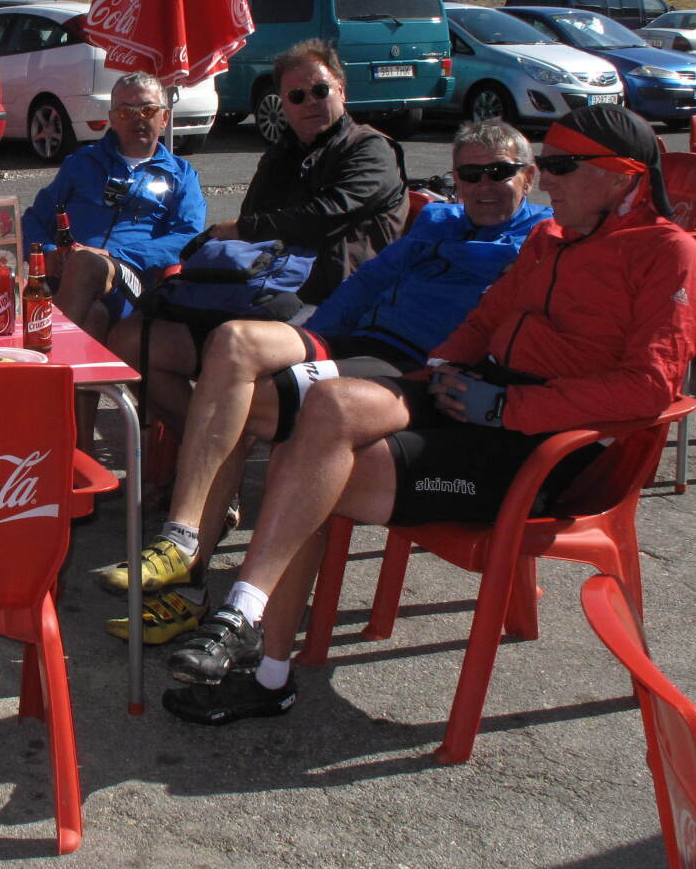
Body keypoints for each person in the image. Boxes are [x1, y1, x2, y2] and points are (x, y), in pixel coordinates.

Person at [157, 105, 696, 726]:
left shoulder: (669, 254)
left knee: (304, 464)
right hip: (483, 399)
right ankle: (246, 627)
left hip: (547, 445)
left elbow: (650, 387)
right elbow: (486, 318)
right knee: (325, 409)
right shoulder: (551, 240)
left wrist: (508, 406)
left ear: (622, 175)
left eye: (560, 166)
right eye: (546, 163)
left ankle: (256, 649)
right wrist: (446, 364)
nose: (549, 179)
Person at [94, 120, 550, 643]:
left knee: (245, 405)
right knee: (234, 343)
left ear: (529, 176)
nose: (484, 186)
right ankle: (182, 536)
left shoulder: (541, 238)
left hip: (414, 368)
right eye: (471, 175)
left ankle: (194, 590)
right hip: (357, 339)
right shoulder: (439, 220)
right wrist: (314, 339)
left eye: (500, 172)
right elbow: (372, 279)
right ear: (456, 179)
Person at [109, 38, 407, 435]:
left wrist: (243, 229)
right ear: (283, 105)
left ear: (341, 90)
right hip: (262, 296)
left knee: (229, 345)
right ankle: (205, 446)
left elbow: (328, 213)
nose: (310, 102)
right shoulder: (282, 155)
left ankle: (209, 455)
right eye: (297, 96)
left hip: (329, 305)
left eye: (320, 90)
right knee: (131, 339)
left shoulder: (370, 149)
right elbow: (250, 228)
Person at [21, 72, 206, 341]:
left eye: (147, 109)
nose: (137, 118)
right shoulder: (82, 162)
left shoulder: (181, 175)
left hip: (131, 277)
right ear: (112, 118)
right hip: (67, 274)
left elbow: (187, 237)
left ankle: (44, 360)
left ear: (164, 117)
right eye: (125, 111)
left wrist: (111, 253)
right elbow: (34, 218)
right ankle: (76, 368)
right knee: (93, 315)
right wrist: (47, 253)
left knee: (86, 262)